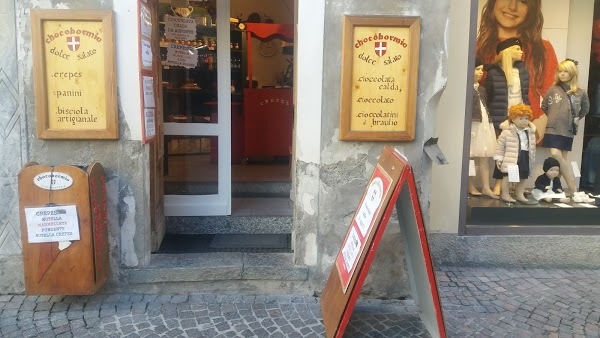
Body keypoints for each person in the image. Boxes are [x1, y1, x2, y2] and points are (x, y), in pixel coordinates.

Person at [476, 0, 559, 142]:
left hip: (524, 138)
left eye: (523, 1)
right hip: (485, 138)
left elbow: (555, 99)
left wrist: (537, 128)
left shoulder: (543, 49)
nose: (512, 6)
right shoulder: (475, 47)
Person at [541, 59, 590, 195]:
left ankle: (555, 188)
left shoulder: (580, 92)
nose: (562, 74)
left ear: (572, 73)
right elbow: (544, 105)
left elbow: (585, 109)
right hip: (553, 128)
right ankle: (572, 186)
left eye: (565, 71)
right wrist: (553, 117)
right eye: (560, 71)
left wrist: (574, 119)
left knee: (561, 160)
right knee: (555, 154)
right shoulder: (553, 89)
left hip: (568, 129)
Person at [494, 103, 537, 204]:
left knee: (522, 176)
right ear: (513, 119)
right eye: (521, 118)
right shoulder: (506, 132)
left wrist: (532, 158)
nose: (524, 121)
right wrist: (499, 158)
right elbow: (500, 146)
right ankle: (505, 194)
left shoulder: (530, 132)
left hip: (525, 156)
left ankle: (519, 194)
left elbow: (532, 146)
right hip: (511, 157)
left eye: (526, 118)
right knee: (507, 176)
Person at [468, 59, 499, 199]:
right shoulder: (466, 88)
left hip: (484, 123)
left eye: (481, 70)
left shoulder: (482, 89)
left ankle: (486, 187)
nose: (480, 73)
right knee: (470, 156)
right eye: (477, 69)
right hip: (472, 123)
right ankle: (469, 185)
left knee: (484, 156)